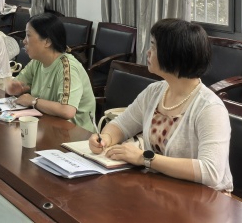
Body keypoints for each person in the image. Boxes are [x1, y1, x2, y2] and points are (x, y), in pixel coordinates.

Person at [88, 18, 233, 191]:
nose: (148, 52)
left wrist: (144, 158)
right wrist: (105, 139)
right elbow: (121, 125)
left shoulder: (209, 108)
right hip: (163, 189)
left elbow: (210, 171)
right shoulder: (155, 92)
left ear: (174, 55)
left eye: (154, 47)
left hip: (205, 198)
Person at [5, 13, 95, 132]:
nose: (24, 41)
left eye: (28, 35)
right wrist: (12, 88)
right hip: (48, 125)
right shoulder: (37, 62)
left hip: (76, 133)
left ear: (47, 41)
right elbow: (17, 85)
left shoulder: (67, 67)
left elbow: (67, 111)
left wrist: (33, 101)